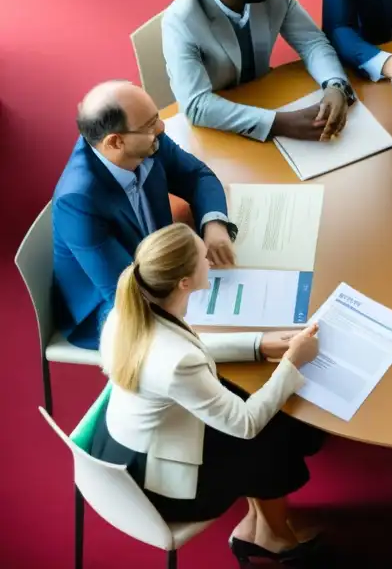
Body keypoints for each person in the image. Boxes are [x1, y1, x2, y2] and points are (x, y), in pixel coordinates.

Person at [90, 224, 330, 567]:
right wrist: (292, 362)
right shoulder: (176, 361)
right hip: (159, 484)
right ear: (184, 283)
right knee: (272, 434)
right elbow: (245, 423)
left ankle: (262, 525)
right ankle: (273, 539)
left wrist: (258, 345)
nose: (210, 261)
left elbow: (184, 349)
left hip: (127, 445)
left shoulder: (128, 312)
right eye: (203, 257)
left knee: (261, 416)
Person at [53, 81, 239, 349]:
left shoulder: (147, 141)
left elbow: (197, 176)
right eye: (150, 125)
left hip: (161, 268)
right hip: (114, 305)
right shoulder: (78, 200)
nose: (161, 128)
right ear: (115, 142)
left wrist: (214, 225)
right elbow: (127, 295)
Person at [163, 0, 356, 143]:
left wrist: (335, 84)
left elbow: (311, 42)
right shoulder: (180, 22)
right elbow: (196, 104)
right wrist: (279, 123)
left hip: (264, 96)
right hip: (221, 130)